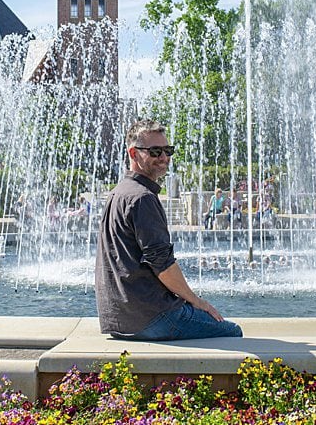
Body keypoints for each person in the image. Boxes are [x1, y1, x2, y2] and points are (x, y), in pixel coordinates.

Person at [95, 119, 242, 341]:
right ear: (133, 154)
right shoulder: (142, 198)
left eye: (167, 150)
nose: (163, 157)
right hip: (151, 317)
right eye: (155, 151)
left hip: (119, 319)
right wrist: (196, 301)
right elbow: (161, 262)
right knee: (232, 332)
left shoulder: (119, 192)